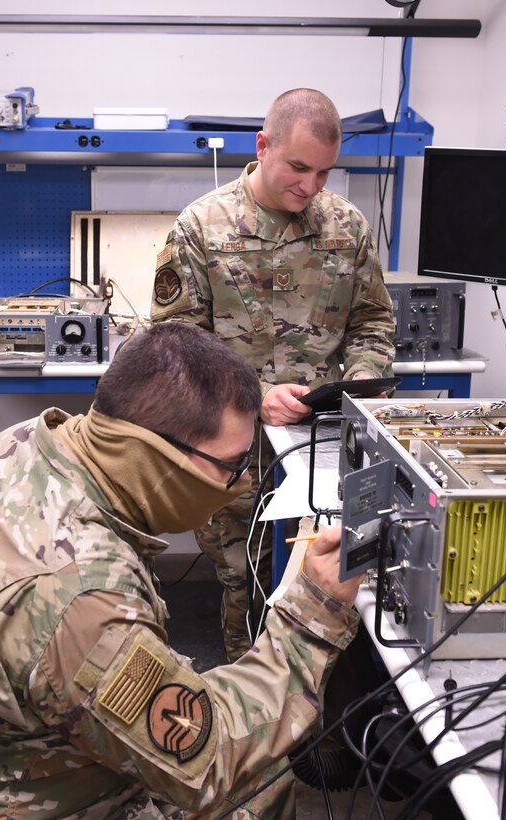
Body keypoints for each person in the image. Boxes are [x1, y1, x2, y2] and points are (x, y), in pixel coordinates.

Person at [0, 322, 364, 819]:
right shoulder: (76, 598)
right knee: (257, 784)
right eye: (233, 465)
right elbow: (210, 763)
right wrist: (313, 613)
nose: (245, 481)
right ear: (156, 457)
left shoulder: (31, 442)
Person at [151, 88, 396, 661]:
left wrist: (359, 384)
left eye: (325, 172)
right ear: (262, 147)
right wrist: (256, 395)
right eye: (299, 167)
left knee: (331, 580)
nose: (311, 186)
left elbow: (373, 321)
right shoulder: (201, 229)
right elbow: (177, 347)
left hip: (325, 445)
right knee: (247, 584)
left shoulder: (346, 227)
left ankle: (317, 720)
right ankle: (249, 717)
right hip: (231, 450)